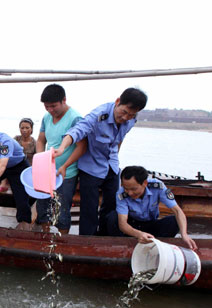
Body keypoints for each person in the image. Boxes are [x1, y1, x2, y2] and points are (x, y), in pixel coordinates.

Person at [53, 88, 148, 236]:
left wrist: (116, 157)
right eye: (124, 112)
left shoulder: (132, 119)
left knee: (111, 206)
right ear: (117, 102)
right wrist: (62, 148)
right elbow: (77, 131)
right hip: (91, 167)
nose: (125, 117)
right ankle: (87, 240)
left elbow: (119, 139)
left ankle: (105, 237)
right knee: (89, 209)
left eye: (131, 114)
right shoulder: (98, 115)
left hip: (112, 166)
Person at [35, 84, 87, 235]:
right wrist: (40, 159)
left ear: (64, 100)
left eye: (53, 106)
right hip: (46, 171)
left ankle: (62, 241)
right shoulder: (46, 117)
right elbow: (40, 141)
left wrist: (65, 165)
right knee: (42, 206)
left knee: (62, 210)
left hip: (66, 173)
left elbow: (81, 147)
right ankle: (45, 236)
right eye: (46, 107)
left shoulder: (75, 118)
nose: (50, 110)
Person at [106, 166, 197, 250]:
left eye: (133, 189)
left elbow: (177, 211)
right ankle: (122, 246)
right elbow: (122, 224)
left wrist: (184, 234)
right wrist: (139, 234)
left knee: (174, 221)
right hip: (132, 226)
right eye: (126, 188)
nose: (129, 193)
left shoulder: (158, 186)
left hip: (151, 224)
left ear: (145, 183)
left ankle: (156, 246)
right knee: (112, 217)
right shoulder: (121, 194)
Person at [0, 117, 36, 193]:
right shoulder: (16, 139)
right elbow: (6, 152)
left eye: (27, 128)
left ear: (31, 129)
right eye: (22, 128)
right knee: (3, 164)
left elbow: (38, 159)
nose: (24, 130)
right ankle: (3, 185)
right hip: (15, 165)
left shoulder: (35, 143)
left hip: (28, 168)